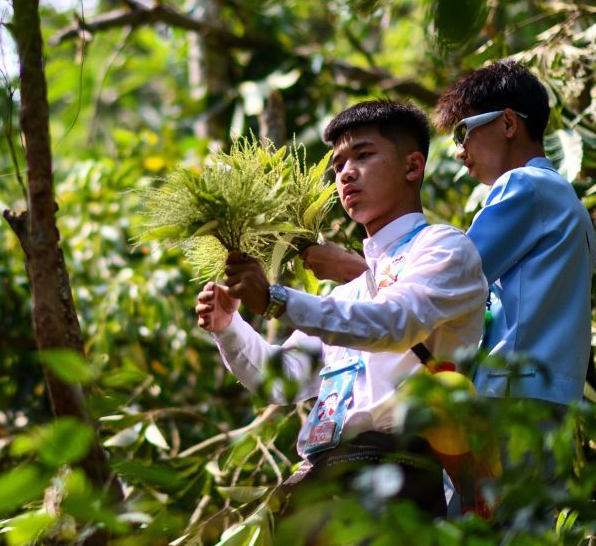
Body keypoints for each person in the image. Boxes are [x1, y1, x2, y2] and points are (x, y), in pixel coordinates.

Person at [195, 99, 488, 518]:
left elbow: (394, 323)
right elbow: (284, 380)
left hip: (395, 474)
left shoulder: (442, 248)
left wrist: (277, 301)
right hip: (323, 476)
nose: (346, 173)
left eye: (364, 155)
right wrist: (230, 327)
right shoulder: (345, 295)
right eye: (337, 164)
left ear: (412, 166)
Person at [303, 61, 596, 414]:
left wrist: (355, 270)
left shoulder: (525, 185)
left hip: (511, 391)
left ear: (507, 123)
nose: (459, 152)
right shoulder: (562, 197)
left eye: (463, 133)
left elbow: (453, 273)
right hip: (551, 392)